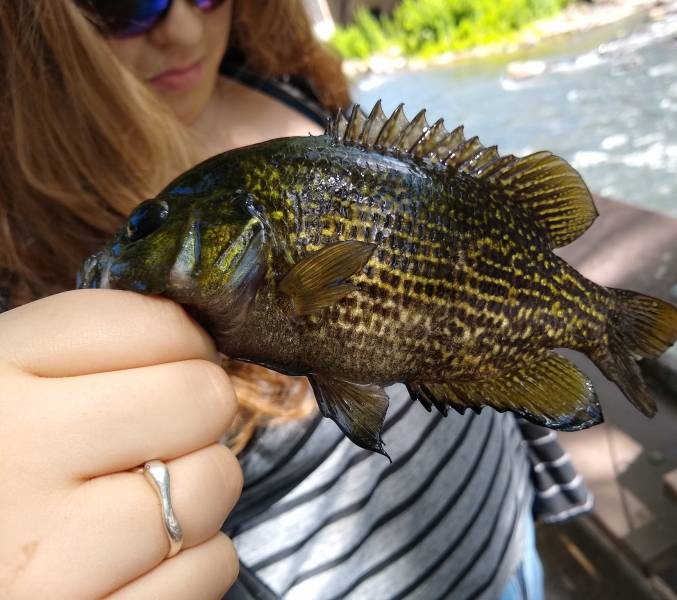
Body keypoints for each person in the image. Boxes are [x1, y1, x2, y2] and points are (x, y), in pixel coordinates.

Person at [0, 2, 591, 598]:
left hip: (511, 534)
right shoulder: (20, 267)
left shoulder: (285, 82)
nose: (181, 27)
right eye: (127, 3)